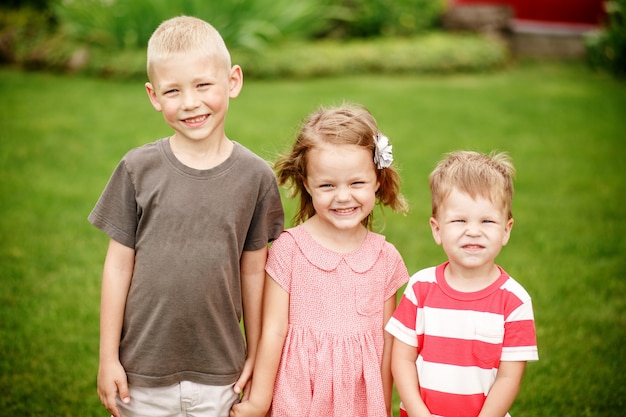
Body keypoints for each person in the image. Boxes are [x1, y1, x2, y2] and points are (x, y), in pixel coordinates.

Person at [88, 16, 284, 417]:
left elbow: (254, 272)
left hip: (222, 375)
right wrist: (108, 357)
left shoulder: (256, 178)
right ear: (153, 95)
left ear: (233, 81)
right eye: (173, 90)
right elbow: (118, 267)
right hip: (141, 375)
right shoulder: (136, 169)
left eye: (202, 85)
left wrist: (255, 359)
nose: (190, 102)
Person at [229, 103, 410, 417]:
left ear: (377, 180)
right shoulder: (289, 250)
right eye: (327, 185)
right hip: (297, 394)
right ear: (307, 185)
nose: (342, 197)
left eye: (356, 183)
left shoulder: (384, 259)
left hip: (357, 400)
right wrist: (259, 401)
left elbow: (386, 346)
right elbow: (273, 331)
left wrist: (382, 407)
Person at [385, 151, 538, 417]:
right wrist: (420, 413)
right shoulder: (421, 288)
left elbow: (509, 377)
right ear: (437, 229)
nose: (473, 231)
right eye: (459, 220)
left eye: (487, 221)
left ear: (506, 230)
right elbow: (402, 359)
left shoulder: (514, 301)